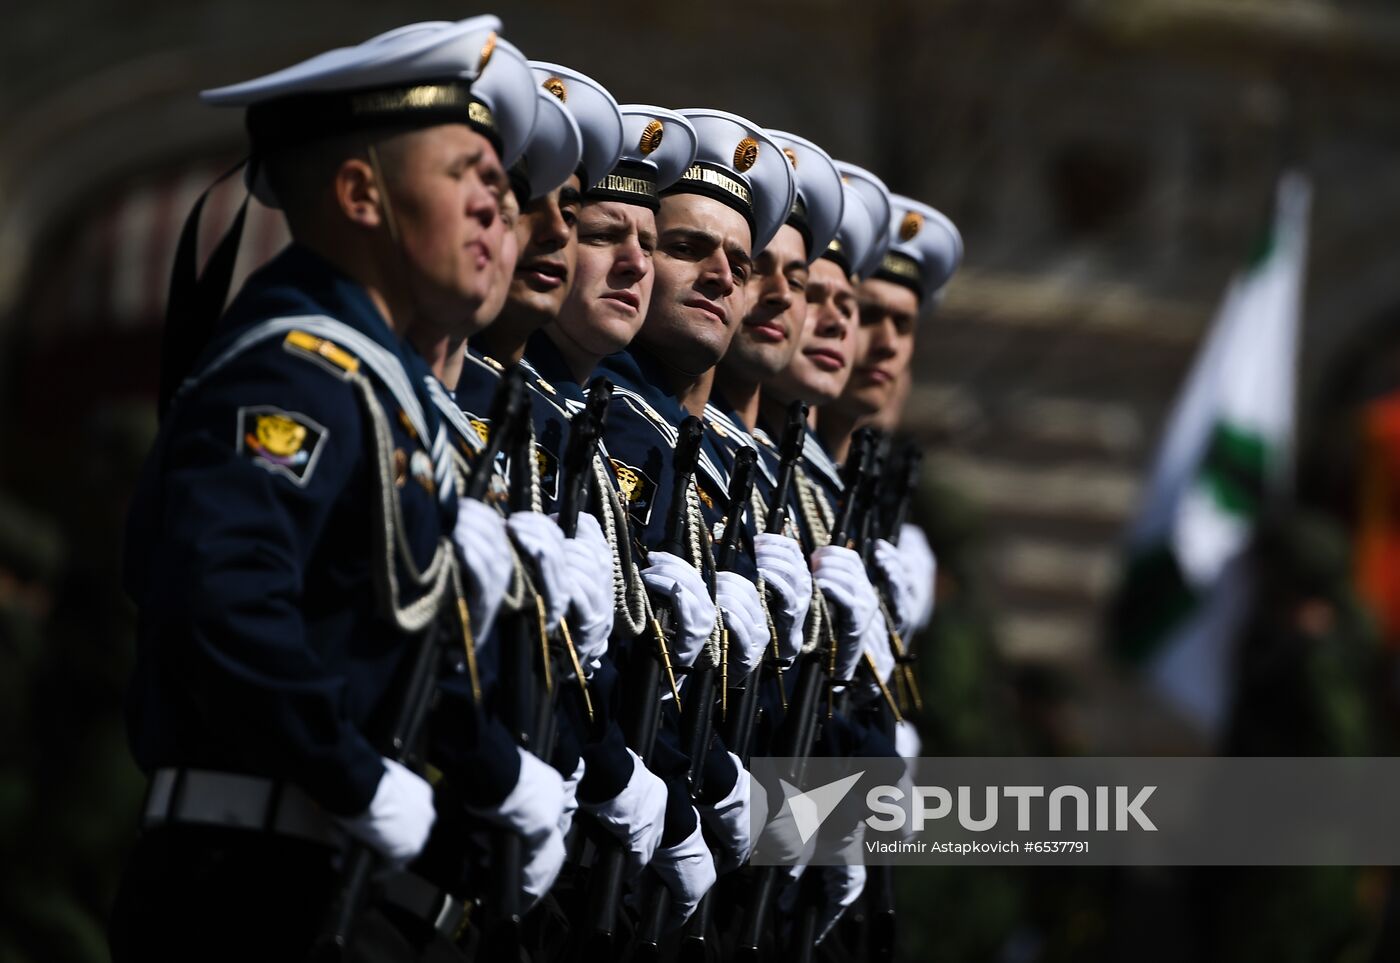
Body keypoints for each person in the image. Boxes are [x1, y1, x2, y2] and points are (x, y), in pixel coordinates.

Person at [110, 18, 559, 961]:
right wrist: (352, 773)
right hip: (252, 884)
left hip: (331, 874)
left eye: (497, 186)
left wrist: (490, 770)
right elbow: (225, 601)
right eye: (467, 175)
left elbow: (373, 642)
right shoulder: (294, 373)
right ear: (362, 194)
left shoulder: (370, 388)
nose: (498, 208)